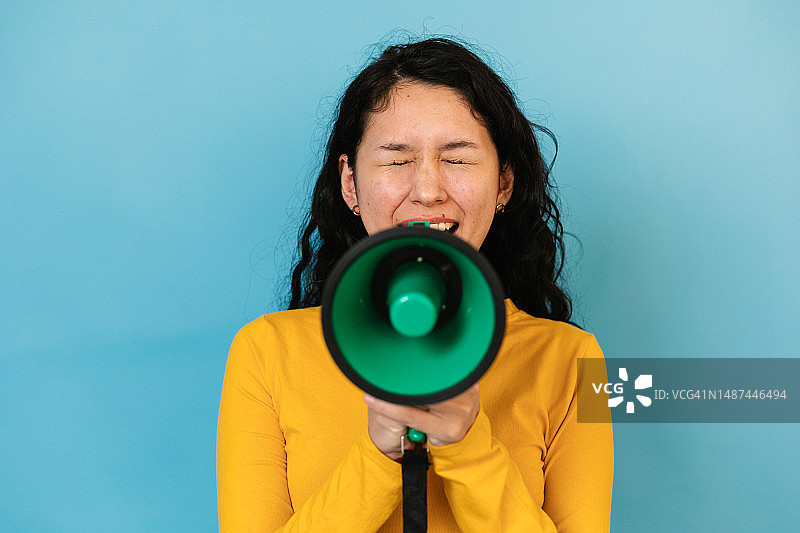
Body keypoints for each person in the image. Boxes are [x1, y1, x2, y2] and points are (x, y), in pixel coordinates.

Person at [217, 38, 613, 532]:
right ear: (350, 184)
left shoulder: (575, 361)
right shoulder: (265, 353)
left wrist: (468, 448)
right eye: (396, 160)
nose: (427, 191)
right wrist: (378, 457)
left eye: (458, 159)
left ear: (504, 184)